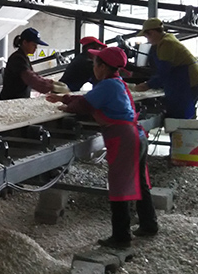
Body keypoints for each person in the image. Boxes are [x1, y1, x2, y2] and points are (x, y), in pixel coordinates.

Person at [47, 46, 158, 248]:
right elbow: (88, 99)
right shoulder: (116, 83)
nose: (94, 67)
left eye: (95, 63)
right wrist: (63, 98)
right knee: (139, 182)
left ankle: (121, 237)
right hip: (136, 136)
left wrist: (67, 106)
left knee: (120, 186)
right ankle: (149, 224)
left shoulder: (107, 85)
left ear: (103, 67)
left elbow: (84, 105)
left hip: (124, 139)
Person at [133, 18, 198, 119]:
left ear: (152, 33)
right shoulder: (166, 40)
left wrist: (147, 85)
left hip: (189, 82)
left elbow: (164, 72)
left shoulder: (166, 43)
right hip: (185, 81)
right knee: (179, 115)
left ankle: (181, 129)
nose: (147, 40)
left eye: (146, 36)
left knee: (180, 117)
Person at [0, 28, 69, 100]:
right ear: (25, 43)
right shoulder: (17, 59)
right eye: (33, 44)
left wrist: (51, 82)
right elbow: (30, 78)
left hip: (17, 99)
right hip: (11, 100)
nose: (36, 47)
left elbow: (34, 75)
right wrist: (51, 87)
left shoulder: (23, 57)